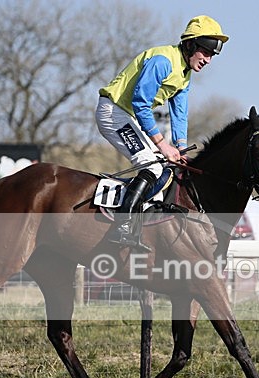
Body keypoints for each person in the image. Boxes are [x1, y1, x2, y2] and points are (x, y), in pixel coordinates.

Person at [96, 15, 228, 252]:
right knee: (152, 165)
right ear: (190, 45)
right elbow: (140, 103)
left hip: (129, 117)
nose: (208, 60)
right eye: (205, 52)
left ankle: (143, 219)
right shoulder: (162, 61)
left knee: (167, 168)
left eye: (212, 56)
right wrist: (162, 145)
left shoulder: (185, 73)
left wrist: (180, 146)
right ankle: (123, 226)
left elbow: (180, 114)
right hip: (114, 113)